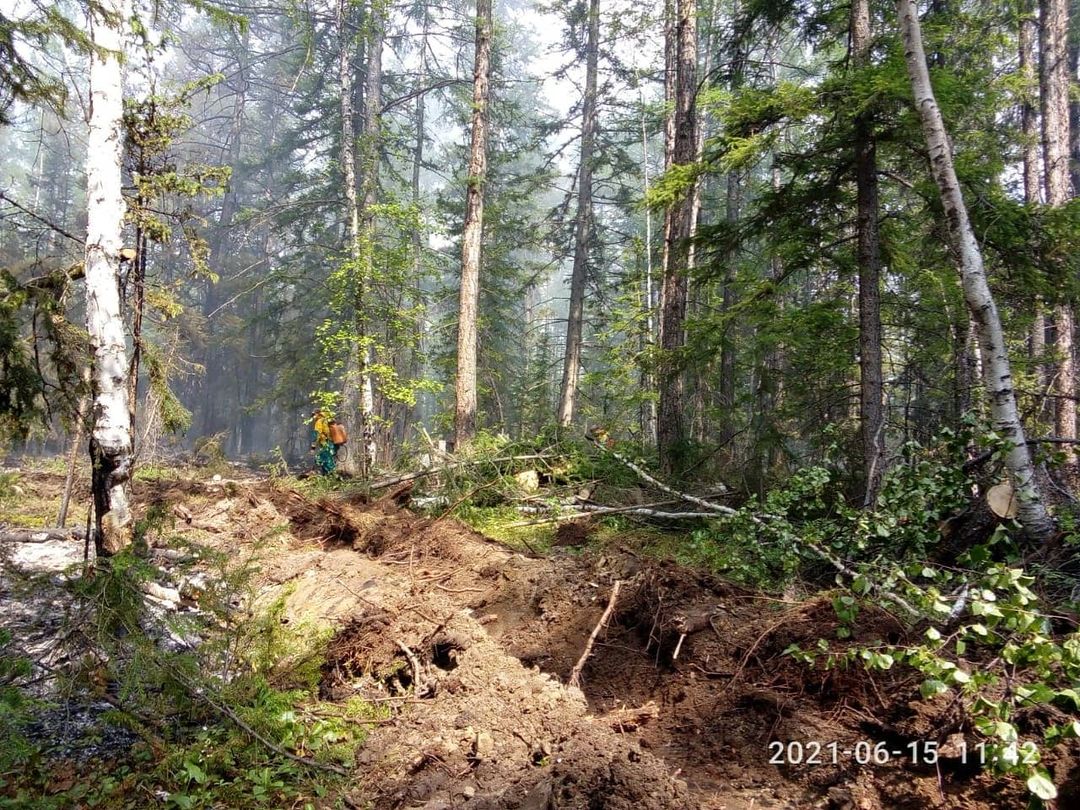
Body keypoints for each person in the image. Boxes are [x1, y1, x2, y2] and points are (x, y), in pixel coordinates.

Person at [310, 409, 336, 475]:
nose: (313, 417)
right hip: (331, 443)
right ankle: (327, 474)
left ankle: (332, 474)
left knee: (320, 458)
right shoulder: (325, 420)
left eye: (313, 415)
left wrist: (313, 448)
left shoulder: (319, 422)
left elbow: (316, 435)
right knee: (327, 458)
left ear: (317, 414)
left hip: (325, 443)